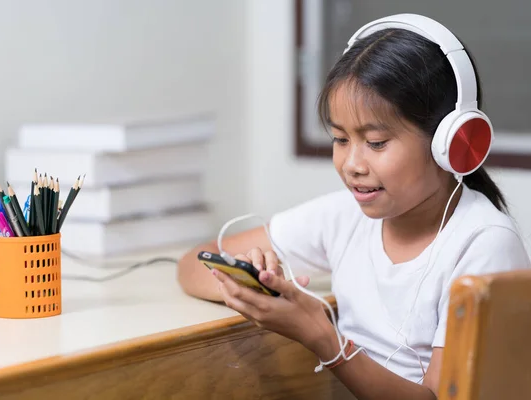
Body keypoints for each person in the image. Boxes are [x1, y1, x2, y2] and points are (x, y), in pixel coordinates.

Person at [176, 14, 531, 400]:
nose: (352, 165)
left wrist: (323, 340)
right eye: (340, 139)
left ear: (450, 140)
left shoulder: (484, 244)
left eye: (376, 142)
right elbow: (194, 263)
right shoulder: (344, 216)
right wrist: (256, 285)